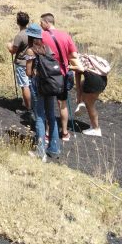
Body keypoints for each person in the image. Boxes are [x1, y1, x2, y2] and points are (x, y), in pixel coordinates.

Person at [40, 13, 78, 142]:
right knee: (63, 104)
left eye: (42, 23)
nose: (41, 25)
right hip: (63, 74)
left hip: (47, 75)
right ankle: (65, 133)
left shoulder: (42, 36)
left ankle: (47, 133)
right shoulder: (66, 36)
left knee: (48, 105)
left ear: (47, 22)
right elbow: (73, 54)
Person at [25, 23, 60, 162]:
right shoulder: (48, 48)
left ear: (31, 36)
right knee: (51, 116)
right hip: (50, 84)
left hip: (37, 85)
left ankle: (40, 152)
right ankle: (54, 148)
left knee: (39, 117)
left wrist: (33, 72)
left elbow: (28, 72)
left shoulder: (30, 51)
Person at [73, 54, 109, 137]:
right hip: (103, 80)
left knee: (90, 105)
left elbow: (77, 76)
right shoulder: (83, 56)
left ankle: (96, 129)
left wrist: (78, 95)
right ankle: (82, 102)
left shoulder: (74, 60)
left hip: (94, 81)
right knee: (83, 84)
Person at [6, 11, 31, 115]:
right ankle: (32, 105)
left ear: (17, 22)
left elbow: (13, 51)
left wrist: (8, 45)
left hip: (21, 63)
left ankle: (28, 108)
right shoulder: (31, 32)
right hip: (30, 62)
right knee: (30, 85)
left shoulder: (19, 36)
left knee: (24, 85)